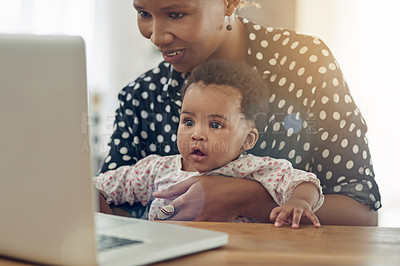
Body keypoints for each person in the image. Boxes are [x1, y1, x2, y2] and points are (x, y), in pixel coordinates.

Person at [97, 0, 381, 225]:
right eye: (144, 13)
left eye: (176, 14)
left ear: (230, 2)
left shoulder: (305, 64)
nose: (156, 37)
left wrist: (241, 198)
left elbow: (362, 214)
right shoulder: (140, 96)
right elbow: (102, 203)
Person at [95, 60, 324, 228]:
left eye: (215, 125)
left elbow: (305, 181)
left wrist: (299, 201)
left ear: (248, 139)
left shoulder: (254, 169)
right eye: (188, 121)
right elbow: (101, 186)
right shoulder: (156, 169)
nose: (197, 134)